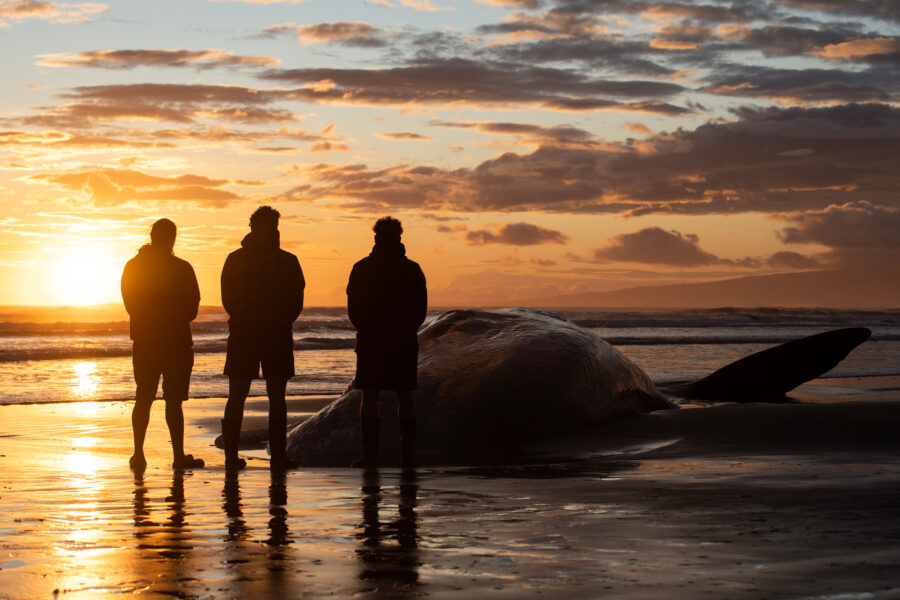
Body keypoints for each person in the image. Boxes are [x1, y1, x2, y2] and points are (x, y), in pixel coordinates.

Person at [220, 206, 305, 471]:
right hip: (272, 333)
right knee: (273, 396)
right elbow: (296, 301)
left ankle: (233, 458)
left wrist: (248, 318)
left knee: (240, 395)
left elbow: (228, 299)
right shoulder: (286, 260)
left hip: (247, 333)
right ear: (272, 228)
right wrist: (279, 320)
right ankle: (276, 458)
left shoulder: (236, 258)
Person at [121, 218, 204, 472]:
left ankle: (139, 454)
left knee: (144, 397)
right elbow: (192, 308)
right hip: (174, 342)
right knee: (172, 401)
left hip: (147, 341)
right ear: (171, 238)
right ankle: (176, 456)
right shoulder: (181, 267)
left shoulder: (134, 266)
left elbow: (131, 306)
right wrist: (170, 318)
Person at [346, 216, 427, 467]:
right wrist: (406, 330)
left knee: (370, 396)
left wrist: (366, 329)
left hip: (372, 339)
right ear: (399, 238)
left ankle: (370, 456)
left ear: (376, 238)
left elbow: (354, 309)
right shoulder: (412, 268)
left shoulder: (362, 268)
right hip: (403, 339)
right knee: (405, 396)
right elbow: (420, 310)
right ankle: (408, 456)